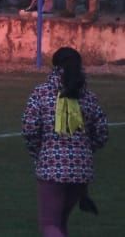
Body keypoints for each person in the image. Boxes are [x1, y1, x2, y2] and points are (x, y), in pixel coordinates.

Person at [22, 46, 110, 236]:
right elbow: (102, 131)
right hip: (82, 169)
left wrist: (39, 151)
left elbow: (30, 128)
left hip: (51, 166)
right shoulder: (88, 97)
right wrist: (85, 149)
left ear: (54, 66)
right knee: (61, 222)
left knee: (49, 224)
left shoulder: (41, 93)